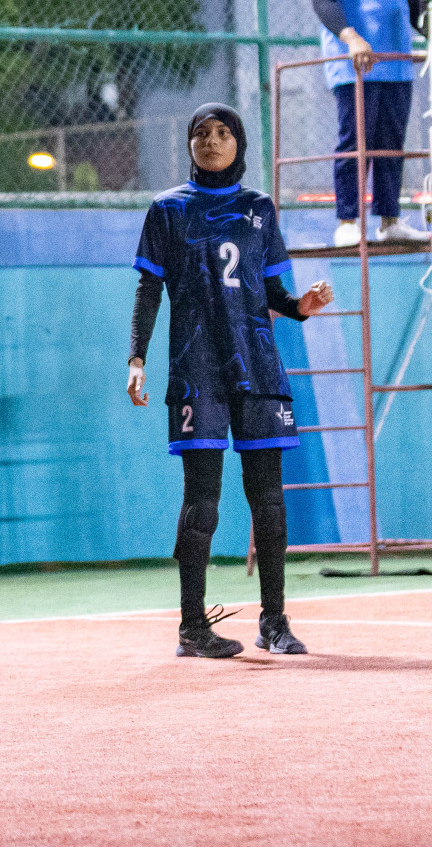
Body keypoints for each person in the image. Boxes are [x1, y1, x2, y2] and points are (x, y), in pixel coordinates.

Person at [126, 103, 335, 658]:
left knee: (268, 500)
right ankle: (192, 627)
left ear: (238, 142)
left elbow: (271, 296)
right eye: (201, 133)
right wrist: (136, 357)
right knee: (203, 502)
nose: (212, 141)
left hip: (257, 367)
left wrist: (300, 306)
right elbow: (148, 291)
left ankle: (274, 621)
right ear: (189, 144)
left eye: (223, 133)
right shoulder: (166, 210)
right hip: (198, 372)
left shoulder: (259, 209)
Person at [306, 0, 430, 247]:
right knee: (356, 138)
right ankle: (347, 220)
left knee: (392, 141)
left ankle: (389, 219)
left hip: (396, 64)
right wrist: (352, 38)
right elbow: (322, 0)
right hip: (356, 64)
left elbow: (414, 9)